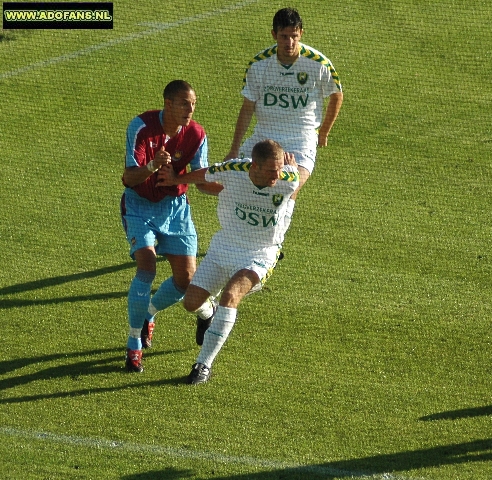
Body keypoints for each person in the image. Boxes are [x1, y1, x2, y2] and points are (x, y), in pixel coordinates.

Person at [157, 139, 299, 384]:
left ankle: (203, 365)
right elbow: (206, 174)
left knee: (231, 295)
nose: (276, 176)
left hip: (260, 253)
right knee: (191, 303)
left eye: (279, 170)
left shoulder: (288, 180)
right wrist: (176, 180)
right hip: (224, 246)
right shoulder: (235, 170)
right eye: (270, 171)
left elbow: (291, 185)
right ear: (253, 166)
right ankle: (208, 313)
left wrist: (289, 172)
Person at [120, 79, 222, 373]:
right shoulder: (140, 127)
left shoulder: (197, 134)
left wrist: (232, 188)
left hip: (175, 210)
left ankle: (149, 314)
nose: (191, 109)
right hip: (139, 206)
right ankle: (133, 344)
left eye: (193, 104)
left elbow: (201, 179)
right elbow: (128, 177)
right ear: (168, 104)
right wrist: (151, 166)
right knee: (147, 267)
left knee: (186, 281)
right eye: (184, 104)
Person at [224, 7, 343, 232]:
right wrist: (234, 148)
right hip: (264, 136)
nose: (289, 42)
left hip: (301, 140)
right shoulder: (259, 64)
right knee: (239, 181)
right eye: (284, 36)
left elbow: (337, 94)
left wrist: (324, 132)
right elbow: (247, 107)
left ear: (301, 34)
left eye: (294, 36)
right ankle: (240, 231)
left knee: (290, 186)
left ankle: (275, 241)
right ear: (273, 35)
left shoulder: (317, 63)